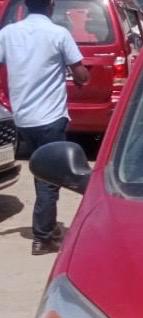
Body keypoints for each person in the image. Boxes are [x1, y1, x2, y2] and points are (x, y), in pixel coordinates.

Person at [0, 0, 89, 255]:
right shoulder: (58, 34)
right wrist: (81, 78)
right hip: (50, 118)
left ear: (26, 6)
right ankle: (43, 237)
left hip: (23, 119)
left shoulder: (8, 33)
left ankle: (47, 227)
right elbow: (81, 74)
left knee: (39, 172)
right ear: (50, 6)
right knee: (49, 179)